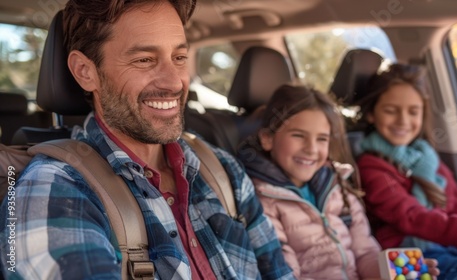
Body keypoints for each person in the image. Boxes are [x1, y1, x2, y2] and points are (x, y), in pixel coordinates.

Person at [0, 1, 294, 279]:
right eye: (144, 60)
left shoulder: (223, 170)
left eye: (179, 57)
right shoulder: (53, 192)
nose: (174, 81)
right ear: (85, 72)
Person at [237, 84, 439, 280]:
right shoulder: (263, 203)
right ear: (267, 138)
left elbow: (364, 253)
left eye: (322, 139)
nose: (312, 149)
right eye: (298, 136)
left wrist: (393, 270)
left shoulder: (337, 188)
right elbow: (284, 273)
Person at [355, 63, 457, 279]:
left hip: (453, 248)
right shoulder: (371, 167)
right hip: (415, 258)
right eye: (390, 110)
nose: (403, 120)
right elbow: (413, 218)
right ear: (371, 115)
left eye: (413, 111)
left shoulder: (427, 158)